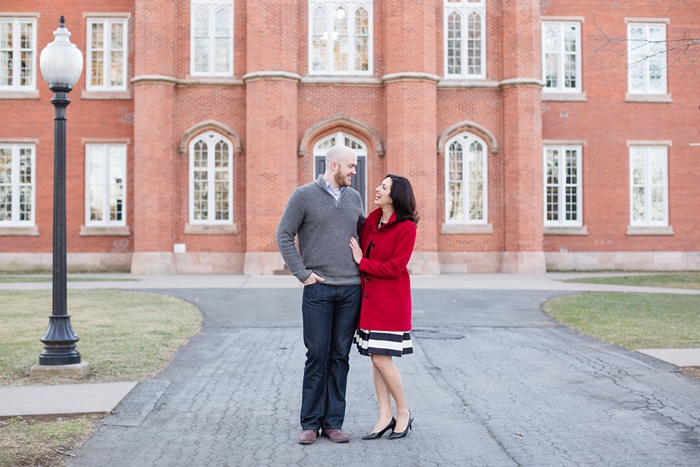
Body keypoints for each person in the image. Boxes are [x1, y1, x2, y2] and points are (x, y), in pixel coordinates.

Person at [276, 145, 366, 445]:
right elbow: (284, 234)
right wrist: (302, 274)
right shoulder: (303, 196)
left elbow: (367, 235)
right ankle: (310, 423)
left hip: (351, 288)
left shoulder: (354, 198)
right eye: (351, 166)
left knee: (340, 356)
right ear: (334, 165)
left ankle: (333, 423)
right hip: (318, 288)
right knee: (317, 354)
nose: (355, 171)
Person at [349, 174, 418, 440]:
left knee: (380, 359)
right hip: (369, 302)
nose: (377, 189)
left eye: (384, 187)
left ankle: (403, 413)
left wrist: (361, 261)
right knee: (377, 360)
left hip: (390, 304)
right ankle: (384, 416)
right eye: (380, 185)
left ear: (396, 195)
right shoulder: (371, 221)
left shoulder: (406, 228)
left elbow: (394, 268)